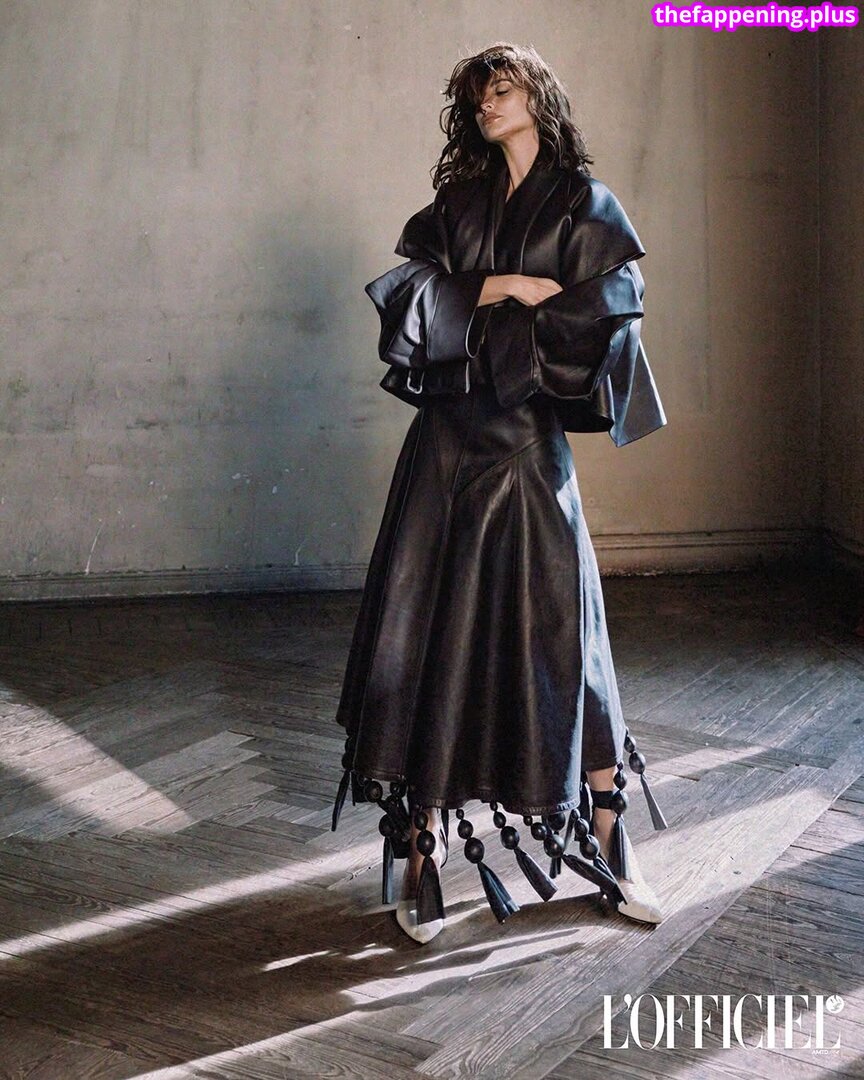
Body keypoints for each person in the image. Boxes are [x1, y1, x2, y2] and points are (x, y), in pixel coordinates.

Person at [330, 43, 670, 944]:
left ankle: (607, 831)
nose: (488, 103)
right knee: (426, 639)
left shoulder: (585, 204)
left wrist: (480, 325)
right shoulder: (456, 205)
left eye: (504, 88)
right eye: (478, 93)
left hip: (526, 448)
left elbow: (608, 311)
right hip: (445, 450)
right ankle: (420, 843)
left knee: (565, 636)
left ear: (537, 98)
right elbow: (410, 300)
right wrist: (504, 287)